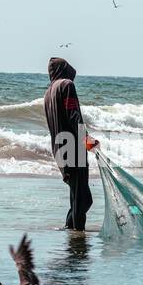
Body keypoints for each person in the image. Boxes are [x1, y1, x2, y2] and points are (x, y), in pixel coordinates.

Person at [44, 57, 95, 231]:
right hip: (73, 147)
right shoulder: (66, 85)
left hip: (59, 149)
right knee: (82, 199)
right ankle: (77, 237)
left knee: (79, 196)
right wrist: (85, 137)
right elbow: (73, 114)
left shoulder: (49, 92)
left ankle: (70, 229)